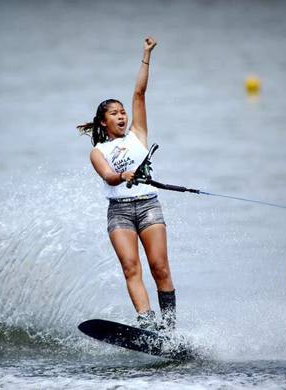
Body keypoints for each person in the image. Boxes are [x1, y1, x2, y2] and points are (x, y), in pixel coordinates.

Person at [77, 37, 176, 332]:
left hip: (148, 207)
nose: (122, 115)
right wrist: (122, 176)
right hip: (119, 213)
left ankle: (169, 330)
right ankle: (148, 327)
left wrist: (146, 55)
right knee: (131, 268)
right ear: (104, 122)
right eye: (114, 113)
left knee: (160, 268)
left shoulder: (138, 134)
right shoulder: (98, 152)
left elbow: (139, 92)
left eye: (123, 112)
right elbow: (108, 176)